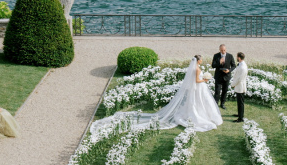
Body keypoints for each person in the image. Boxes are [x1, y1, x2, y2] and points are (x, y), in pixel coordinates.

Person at [91, 55, 223, 136]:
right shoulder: (197, 69)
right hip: (199, 87)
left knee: (199, 102)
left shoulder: (195, 68)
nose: (201, 61)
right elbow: (197, 80)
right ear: (198, 61)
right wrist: (206, 79)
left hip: (199, 89)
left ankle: (201, 114)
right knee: (198, 103)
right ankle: (199, 116)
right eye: (200, 60)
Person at [211, 44, 236, 109]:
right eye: (221, 50)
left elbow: (233, 66)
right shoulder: (216, 55)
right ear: (219, 50)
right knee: (217, 91)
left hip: (226, 76)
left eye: (224, 50)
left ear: (226, 49)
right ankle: (215, 104)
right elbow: (213, 65)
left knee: (225, 91)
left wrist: (229, 70)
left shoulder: (230, 56)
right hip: (218, 76)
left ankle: (222, 103)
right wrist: (219, 62)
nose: (223, 51)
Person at [230, 53, 248, 122]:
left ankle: (241, 118)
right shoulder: (240, 64)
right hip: (238, 85)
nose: (236, 58)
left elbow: (240, 79)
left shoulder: (243, 67)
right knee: (239, 101)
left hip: (240, 86)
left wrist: (233, 84)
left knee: (240, 102)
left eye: (237, 57)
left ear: (239, 58)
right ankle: (239, 114)